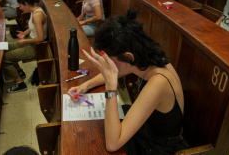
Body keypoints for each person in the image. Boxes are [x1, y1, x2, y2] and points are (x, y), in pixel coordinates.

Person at [67, 9, 187, 154]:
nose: (105, 65)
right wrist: (85, 86)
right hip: (147, 128)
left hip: (156, 147)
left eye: (107, 61)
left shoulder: (159, 82)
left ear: (128, 57)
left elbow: (112, 144)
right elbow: (114, 72)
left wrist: (111, 88)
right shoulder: (143, 57)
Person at [2, 0, 47, 93]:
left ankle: (20, 84)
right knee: (3, 49)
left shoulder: (37, 15)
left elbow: (40, 38)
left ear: (26, 3)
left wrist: (25, 41)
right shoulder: (34, 10)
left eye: (21, 6)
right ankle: (19, 72)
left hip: (36, 47)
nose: (20, 8)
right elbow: (33, 28)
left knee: (4, 59)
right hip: (31, 42)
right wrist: (24, 33)